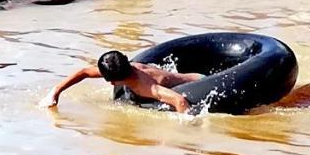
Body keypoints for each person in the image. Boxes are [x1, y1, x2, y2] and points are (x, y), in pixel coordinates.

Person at [46, 49, 202, 112]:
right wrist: (56, 92)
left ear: (112, 82)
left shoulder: (145, 86)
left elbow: (179, 100)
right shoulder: (126, 68)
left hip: (200, 81)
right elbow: (84, 72)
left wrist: (185, 131)